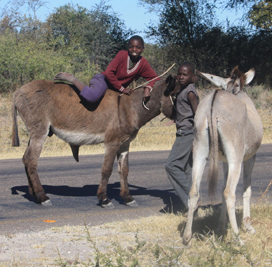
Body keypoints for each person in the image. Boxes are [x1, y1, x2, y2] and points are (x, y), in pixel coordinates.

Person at [54, 35, 158, 103]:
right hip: (104, 80)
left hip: (115, 89)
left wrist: (148, 88)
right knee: (92, 97)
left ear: (143, 49)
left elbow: (156, 78)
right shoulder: (122, 55)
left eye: (138, 47)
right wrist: (122, 89)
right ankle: (72, 79)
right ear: (128, 47)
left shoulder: (143, 63)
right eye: (131, 47)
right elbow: (109, 73)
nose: (134, 50)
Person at [165, 62, 199, 211]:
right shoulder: (182, 90)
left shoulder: (190, 92)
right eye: (179, 74)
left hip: (187, 134)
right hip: (184, 131)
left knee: (172, 166)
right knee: (186, 169)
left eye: (185, 74)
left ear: (192, 76)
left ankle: (192, 199)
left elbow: (198, 115)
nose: (180, 77)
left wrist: (196, 139)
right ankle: (192, 206)